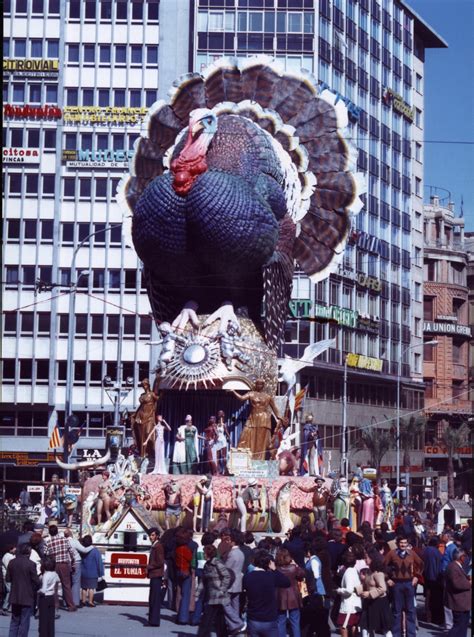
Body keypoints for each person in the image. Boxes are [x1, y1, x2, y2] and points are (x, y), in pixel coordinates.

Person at [228, 379, 284, 461]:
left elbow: (275, 409)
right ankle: (243, 458)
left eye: (261, 384)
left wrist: (280, 418)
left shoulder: (268, 397)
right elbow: (241, 398)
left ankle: (257, 459)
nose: (259, 386)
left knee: (260, 441)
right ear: (255, 385)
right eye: (258, 384)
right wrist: (233, 391)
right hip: (252, 418)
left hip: (263, 419)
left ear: (263, 386)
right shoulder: (251, 394)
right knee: (244, 436)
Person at [243, 549, 290, 637]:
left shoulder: (247, 577)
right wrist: (275, 569)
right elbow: (286, 582)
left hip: (253, 618)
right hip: (269, 619)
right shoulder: (271, 576)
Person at [383, 535, 423, 637]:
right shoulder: (392, 554)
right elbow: (383, 566)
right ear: (397, 544)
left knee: (410, 610)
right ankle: (396, 634)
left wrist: (416, 576)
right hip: (397, 584)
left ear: (407, 544)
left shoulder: (412, 553)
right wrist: (387, 579)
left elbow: (421, 564)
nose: (403, 545)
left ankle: (411, 634)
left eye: (405, 543)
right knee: (397, 611)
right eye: (401, 543)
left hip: (409, 584)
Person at [6, 543, 40, 637]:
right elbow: (36, 581)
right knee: (24, 622)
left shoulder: (12, 562)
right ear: (28, 552)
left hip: (15, 594)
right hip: (27, 595)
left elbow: (8, 578)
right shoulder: (31, 564)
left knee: (14, 620)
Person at [356, 552, 393, 637]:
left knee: (385, 627)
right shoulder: (369, 572)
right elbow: (366, 585)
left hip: (379, 603)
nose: (365, 560)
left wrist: (369, 593)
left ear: (372, 559)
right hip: (369, 602)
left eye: (367, 558)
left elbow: (383, 588)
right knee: (365, 624)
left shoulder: (378, 573)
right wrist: (356, 590)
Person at [198, 544, 232, 637]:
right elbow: (203, 580)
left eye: (204, 553)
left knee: (207, 619)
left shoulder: (217, 563)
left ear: (208, 553)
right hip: (211, 595)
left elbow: (227, 576)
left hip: (218, 596)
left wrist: (222, 589)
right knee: (219, 620)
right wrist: (197, 593)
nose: (203, 555)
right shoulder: (207, 564)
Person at [43, 525, 76, 611]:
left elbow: (45, 554)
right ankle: (70, 605)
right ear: (57, 531)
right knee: (66, 585)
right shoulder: (64, 540)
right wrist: (73, 562)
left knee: (54, 585)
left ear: (50, 532)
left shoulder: (48, 542)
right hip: (64, 564)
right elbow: (71, 551)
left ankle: (55, 605)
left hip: (53, 565)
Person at [275, 548, 305, 637]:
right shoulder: (294, 568)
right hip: (293, 596)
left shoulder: (276, 569)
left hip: (280, 596)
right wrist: (296, 564)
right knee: (295, 621)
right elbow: (302, 575)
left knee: (281, 621)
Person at [222, 529, 246, 635]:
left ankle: (237, 623)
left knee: (225, 604)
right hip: (238, 582)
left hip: (230, 583)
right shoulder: (240, 553)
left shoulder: (232, 554)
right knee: (235, 604)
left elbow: (226, 570)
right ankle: (234, 626)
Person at [63, 528, 94, 608]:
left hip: (65, 563)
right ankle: (75, 602)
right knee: (76, 582)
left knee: (66, 583)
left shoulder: (62, 541)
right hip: (76, 562)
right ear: (71, 534)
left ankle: (66, 601)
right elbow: (84, 550)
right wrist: (92, 547)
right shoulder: (74, 541)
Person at [445, 548, 471, 637]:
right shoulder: (453, 567)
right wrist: (469, 583)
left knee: (463, 625)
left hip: (462, 603)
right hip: (458, 602)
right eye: (465, 556)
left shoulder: (456, 566)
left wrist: (467, 579)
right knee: (458, 625)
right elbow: (456, 584)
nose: (466, 558)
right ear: (462, 557)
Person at [131, 377, 159, 458]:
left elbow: (158, 400)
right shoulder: (142, 396)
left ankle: (152, 453)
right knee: (141, 436)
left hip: (149, 416)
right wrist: (135, 415)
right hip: (142, 416)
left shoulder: (152, 394)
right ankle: (143, 453)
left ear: (148, 385)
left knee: (148, 433)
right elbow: (141, 406)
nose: (144, 386)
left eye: (145, 385)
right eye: (143, 385)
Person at [336, 552, 362, 637]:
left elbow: (349, 590)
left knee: (343, 625)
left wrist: (339, 590)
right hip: (356, 603)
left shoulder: (348, 573)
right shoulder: (355, 571)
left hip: (348, 605)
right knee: (354, 625)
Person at [422, 536, 444, 625]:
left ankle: (428, 617)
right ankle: (436, 618)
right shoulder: (436, 552)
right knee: (436, 599)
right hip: (435, 578)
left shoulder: (426, 551)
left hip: (427, 577)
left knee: (428, 597)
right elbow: (439, 565)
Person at [38, 556, 60, 637]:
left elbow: (43, 590)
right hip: (51, 597)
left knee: (43, 620)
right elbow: (58, 580)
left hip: (44, 598)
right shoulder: (55, 574)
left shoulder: (45, 575)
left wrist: (38, 591)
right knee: (51, 620)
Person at [147, 527, 164, 627]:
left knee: (155, 598)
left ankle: (154, 621)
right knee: (153, 598)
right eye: (150, 535)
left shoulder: (158, 546)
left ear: (157, 535)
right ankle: (152, 620)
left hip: (156, 574)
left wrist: (149, 566)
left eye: (153, 535)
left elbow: (160, 562)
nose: (151, 537)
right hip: (154, 574)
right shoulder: (155, 546)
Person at [79, 535, 104, 607]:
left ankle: (83, 601)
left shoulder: (83, 550)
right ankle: (90, 602)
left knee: (84, 588)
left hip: (83, 572)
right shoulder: (95, 551)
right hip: (93, 572)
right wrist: (101, 573)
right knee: (91, 588)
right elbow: (99, 562)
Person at [1, 544, 16, 614]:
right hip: (7, 576)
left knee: (11, 591)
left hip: (11, 576)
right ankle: (5, 606)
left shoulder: (12, 556)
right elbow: (9, 567)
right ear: (10, 549)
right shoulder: (6, 556)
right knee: (9, 591)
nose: (15, 549)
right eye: (14, 548)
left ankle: (9, 606)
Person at [215, 410, 231, 475]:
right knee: (217, 456)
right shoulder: (216, 425)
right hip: (217, 441)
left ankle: (224, 470)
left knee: (224, 456)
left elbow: (226, 433)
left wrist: (230, 439)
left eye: (220, 413)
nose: (219, 414)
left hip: (223, 441)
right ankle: (218, 470)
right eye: (219, 413)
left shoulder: (223, 425)